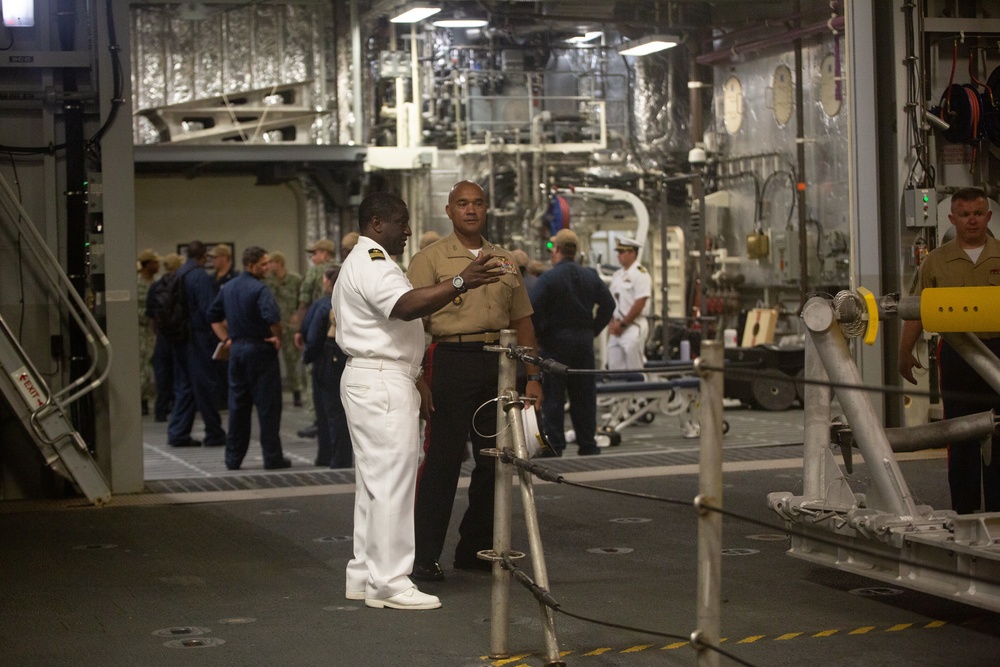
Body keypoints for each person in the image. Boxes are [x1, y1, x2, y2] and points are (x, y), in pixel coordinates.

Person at [332, 191, 502, 610]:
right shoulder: (373, 262)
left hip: (376, 376)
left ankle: (366, 571)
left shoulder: (368, 260)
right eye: (401, 222)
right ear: (377, 224)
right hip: (381, 380)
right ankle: (390, 582)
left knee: (373, 483)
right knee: (392, 482)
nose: (408, 230)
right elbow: (406, 307)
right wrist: (463, 280)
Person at [407, 180, 543, 582]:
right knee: (442, 463)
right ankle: (424, 556)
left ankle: (474, 549)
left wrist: (533, 376)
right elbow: (411, 324)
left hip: (499, 364)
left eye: (478, 203)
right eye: (462, 204)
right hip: (449, 360)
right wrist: (417, 379)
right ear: (449, 211)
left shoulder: (504, 260)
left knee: (495, 463)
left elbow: (522, 321)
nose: (471, 210)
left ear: (487, 210)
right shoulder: (429, 259)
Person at [899, 186, 1000, 514]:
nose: (972, 221)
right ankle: (965, 516)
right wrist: (904, 351)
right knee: (959, 434)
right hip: (957, 355)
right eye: (965, 215)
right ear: (953, 218)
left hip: (998, 351)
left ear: (988, 216)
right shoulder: (935, 263)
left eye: (978, 214)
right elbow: (917, 307)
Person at [529, 228, 615, 456]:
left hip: (555, 341)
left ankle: (555, 445)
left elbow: (532, 308)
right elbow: (609, 305)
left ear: (556, 249)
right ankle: (588, 443)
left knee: (554, 396)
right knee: (585, 395)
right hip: (584, 342)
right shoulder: (590, 276)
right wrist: (592, 330)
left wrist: (538, 334)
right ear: (575, 251)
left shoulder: (549, 278)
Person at [208, 246, 291, 471]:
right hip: (260, 350)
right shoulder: (260, 289)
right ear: (251, 265)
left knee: (238, 407)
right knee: (268, 408)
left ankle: (233, 458)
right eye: (263, 264)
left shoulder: (229, 287)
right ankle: (272, 457)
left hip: (237, 351)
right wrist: (277, 339)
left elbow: (213, 316)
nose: (267, 267)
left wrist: (226, 340)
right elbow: (273, 318)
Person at [166, 241, 226, 448]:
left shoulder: (179, 273)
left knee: (186, 387)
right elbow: (210, 309)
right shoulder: (199, 276)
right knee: (206, 386)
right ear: (203, 257)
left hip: (179, 337)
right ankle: (214, 433)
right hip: (198, 338)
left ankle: (178, 432)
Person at [301, 267, 351, 468]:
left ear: (327, 282)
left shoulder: (322, 305)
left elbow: (311, 335)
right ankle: (341, 456)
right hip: (348, 358)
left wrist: (307, 357)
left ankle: (331, 457)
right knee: (343, 411)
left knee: (328, 412)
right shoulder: (353, 302)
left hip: (326, 359)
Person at [265, 251, 305, 407]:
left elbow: (302, 298)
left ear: (279, 263)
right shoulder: (267, 281)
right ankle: (272, 394)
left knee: (292, 362)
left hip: (290, 326)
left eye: (271, 262)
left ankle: (296, 393)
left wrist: (298, 315)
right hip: (273, 326)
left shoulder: (294, 279)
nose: (268, 266)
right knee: (269, 362)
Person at [146, 252, 182, 422]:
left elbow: (151, 314)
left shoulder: (155, 286)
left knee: (162, 374)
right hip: (179, 335)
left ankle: (160, 410)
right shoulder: (182, 284)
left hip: (162, 335)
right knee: (178, 373)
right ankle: (177, 409)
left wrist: (156, 333)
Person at [607, 236, 651, 370]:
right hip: (617, 327)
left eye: (622, 252)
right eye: (618, 252)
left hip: (633, 326)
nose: (618, 255)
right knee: (614, 368)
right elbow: (612, 301)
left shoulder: (641, 274)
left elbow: (640, 302)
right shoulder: (618, 275)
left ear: (633, 253)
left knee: (635, 369)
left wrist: (623, 324)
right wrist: (612, 323)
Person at [137, 248, 160, 416]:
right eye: (155, 262)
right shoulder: (137, 284)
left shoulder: (158, 283)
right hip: (141, 329)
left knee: (153, 366)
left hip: (156, 330)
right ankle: (142, 399)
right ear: (147, 264)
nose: (158, 265)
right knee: (142, 366)